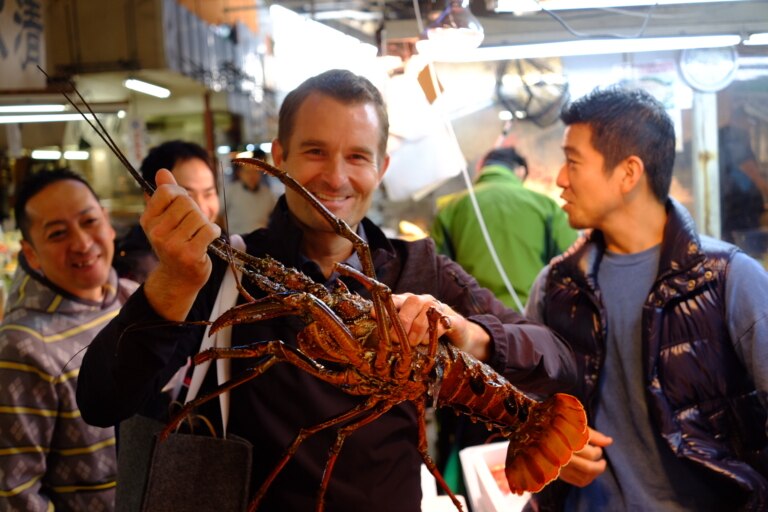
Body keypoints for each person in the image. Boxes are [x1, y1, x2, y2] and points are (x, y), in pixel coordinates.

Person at [76, 69, 579, 512]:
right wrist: (174, 282)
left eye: (357, 156)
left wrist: (472, 335)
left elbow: (557, 355)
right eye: (315, 151)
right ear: (280, 157)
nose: (335, 176)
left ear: (381, 168)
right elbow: (102, 400)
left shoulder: (419, 272)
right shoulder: (224, 272)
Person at [524, 86, 768, 511]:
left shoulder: (729, 280)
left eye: (573, 162)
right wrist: (546, 448)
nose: (560, 179)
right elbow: (522, 412)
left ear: (628, 173)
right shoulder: (555, 288)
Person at [0, 169, 137, 511]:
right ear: (30, 254)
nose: (82, 243)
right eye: (58, 233)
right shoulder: (22, 346)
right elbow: (15, 493)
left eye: (89, 221)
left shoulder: (134, 299)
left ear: (107, 223)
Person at [431, 146, 578, 310]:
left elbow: (436, 270)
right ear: (520, 172)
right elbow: (571, 260)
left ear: (481, 167)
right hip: (529, 319)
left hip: (471, 320)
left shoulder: (449, 207)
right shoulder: (545, 205)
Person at [113, 139, 220, 283]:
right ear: (151, 198)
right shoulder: (133, 268)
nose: (202, 208)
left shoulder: (228, 248)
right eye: (187, 196)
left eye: (209, 193)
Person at [719, 107, 768, 243]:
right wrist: (765, 189)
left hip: (728, 209)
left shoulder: (723, 135)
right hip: (740, 212)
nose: (750, 125)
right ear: (740, 119)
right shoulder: (736, 136)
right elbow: (750, 170)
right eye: (748, 121)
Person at [220, 148, 278, 234]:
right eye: (247, 172)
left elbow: (276, 216)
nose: (252, 176)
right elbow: (218, 215)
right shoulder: (231, 190)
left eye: (255, 172)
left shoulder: (267, 193)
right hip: (236, 240)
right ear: (240, 174)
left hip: (262, 241)